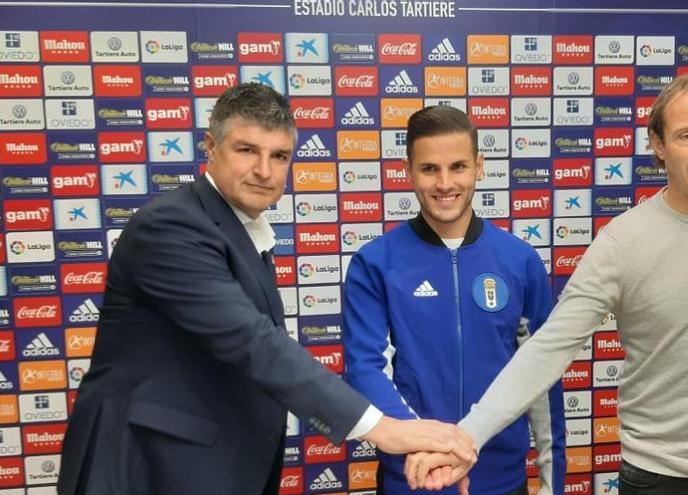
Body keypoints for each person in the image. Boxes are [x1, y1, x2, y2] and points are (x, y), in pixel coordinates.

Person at [408, 72, 688, 495]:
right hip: (656, 479)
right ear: (659, 145)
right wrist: (467, 436)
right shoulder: (622, 242)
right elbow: (548, 348)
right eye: (687, 135)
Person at [57, 83, 476, 495]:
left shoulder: (240, 229)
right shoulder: (171, 227)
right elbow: (251, 342)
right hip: (147, 470)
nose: (264, 171)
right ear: (210, 146)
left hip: (214, 466)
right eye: (247, 150)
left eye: (279, 156)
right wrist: (383, 429)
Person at [342, 105, 566, 494]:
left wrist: (552, 482)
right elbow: (365, 370)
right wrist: (429, 446)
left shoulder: (519, 260)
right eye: (429, 169)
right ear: (408, 170)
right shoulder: (375, 264)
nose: (445, 183)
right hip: (412, 480)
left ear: (479, 166)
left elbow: (543, 376)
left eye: (458, 166)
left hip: (502, 482)